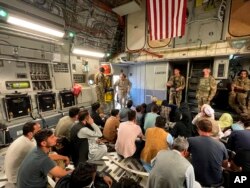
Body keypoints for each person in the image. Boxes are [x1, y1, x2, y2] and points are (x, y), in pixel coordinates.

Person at [188, 119, 228, 187]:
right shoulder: (221, 145)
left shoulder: (191, 140)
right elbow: (225, 165)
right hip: (216, 181)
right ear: (210, 130)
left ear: (198, 129)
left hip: (197, 181)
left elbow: (184, 156)